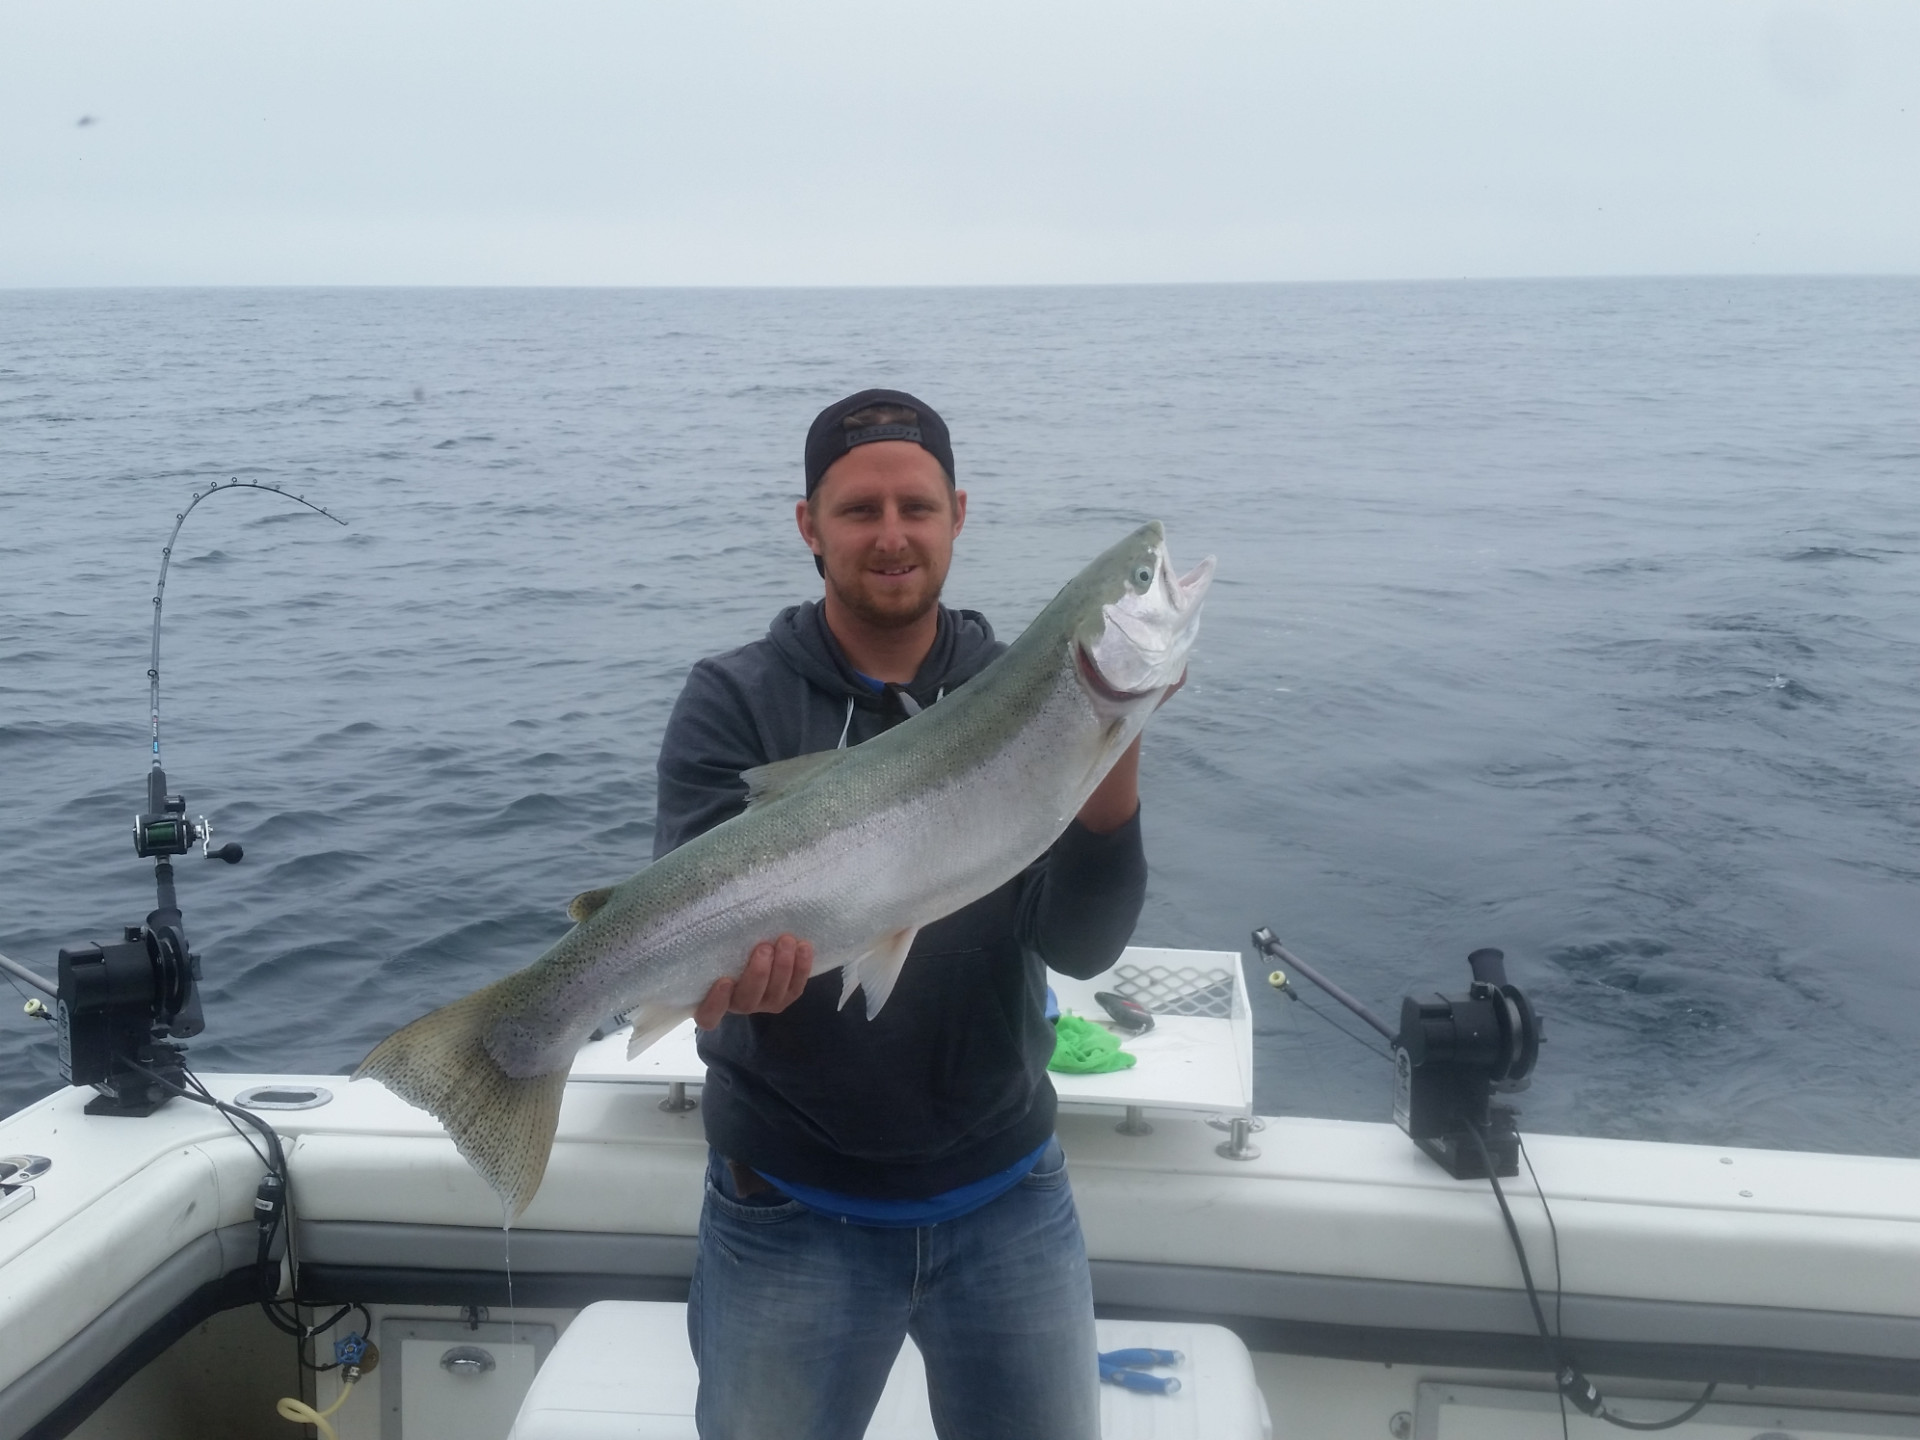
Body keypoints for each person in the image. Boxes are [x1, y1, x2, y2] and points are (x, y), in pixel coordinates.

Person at [652, 388, 1151, 1440]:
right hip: (786, 1207)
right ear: (809, 526)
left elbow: (1083, 946)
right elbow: (684, 933)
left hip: (1009, 1197)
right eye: (859, 510)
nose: (891, 536)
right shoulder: (734, 699)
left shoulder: (1024, 690)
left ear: (958, 515)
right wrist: (733, 985)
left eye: (917, 507)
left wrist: (1110, 734)